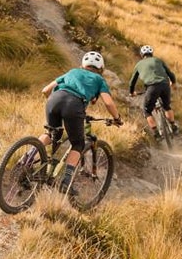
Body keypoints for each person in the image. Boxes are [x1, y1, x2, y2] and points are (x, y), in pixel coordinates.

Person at [38, 51, 123, 196]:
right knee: (78, 144)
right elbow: (108, 102)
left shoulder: (72, 71)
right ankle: (65, 182)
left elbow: (46, 90)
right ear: (101, 69)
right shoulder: (99, 79)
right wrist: (116, 118)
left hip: (54, 100)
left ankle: (25, 161)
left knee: (52, 134)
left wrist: (56, 100)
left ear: (82, 65)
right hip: (74, 105)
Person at [128, 45, 179, 141]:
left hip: (152, 87)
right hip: (165, 85)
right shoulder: (158, 60)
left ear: (142, 55)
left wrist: (131, 92)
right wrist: (173, 83)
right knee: (167, 106)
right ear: (152, 53)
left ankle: (156, 134)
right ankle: (173, 126)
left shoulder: (139, 64)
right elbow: (170, 73)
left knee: (147, 111)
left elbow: (132, 81)